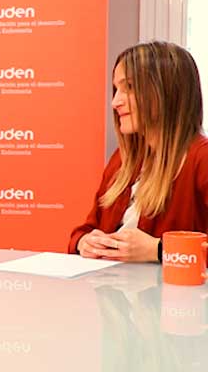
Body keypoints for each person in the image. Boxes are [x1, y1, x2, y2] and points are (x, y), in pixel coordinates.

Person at [69, 41, 208, 262]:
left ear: (167, 91)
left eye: (130, 87)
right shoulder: (122, 160)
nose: (115, 102)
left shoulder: (201, 159)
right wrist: (84, 242)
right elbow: (87, 229)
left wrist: (158, 250)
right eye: (116, 89)